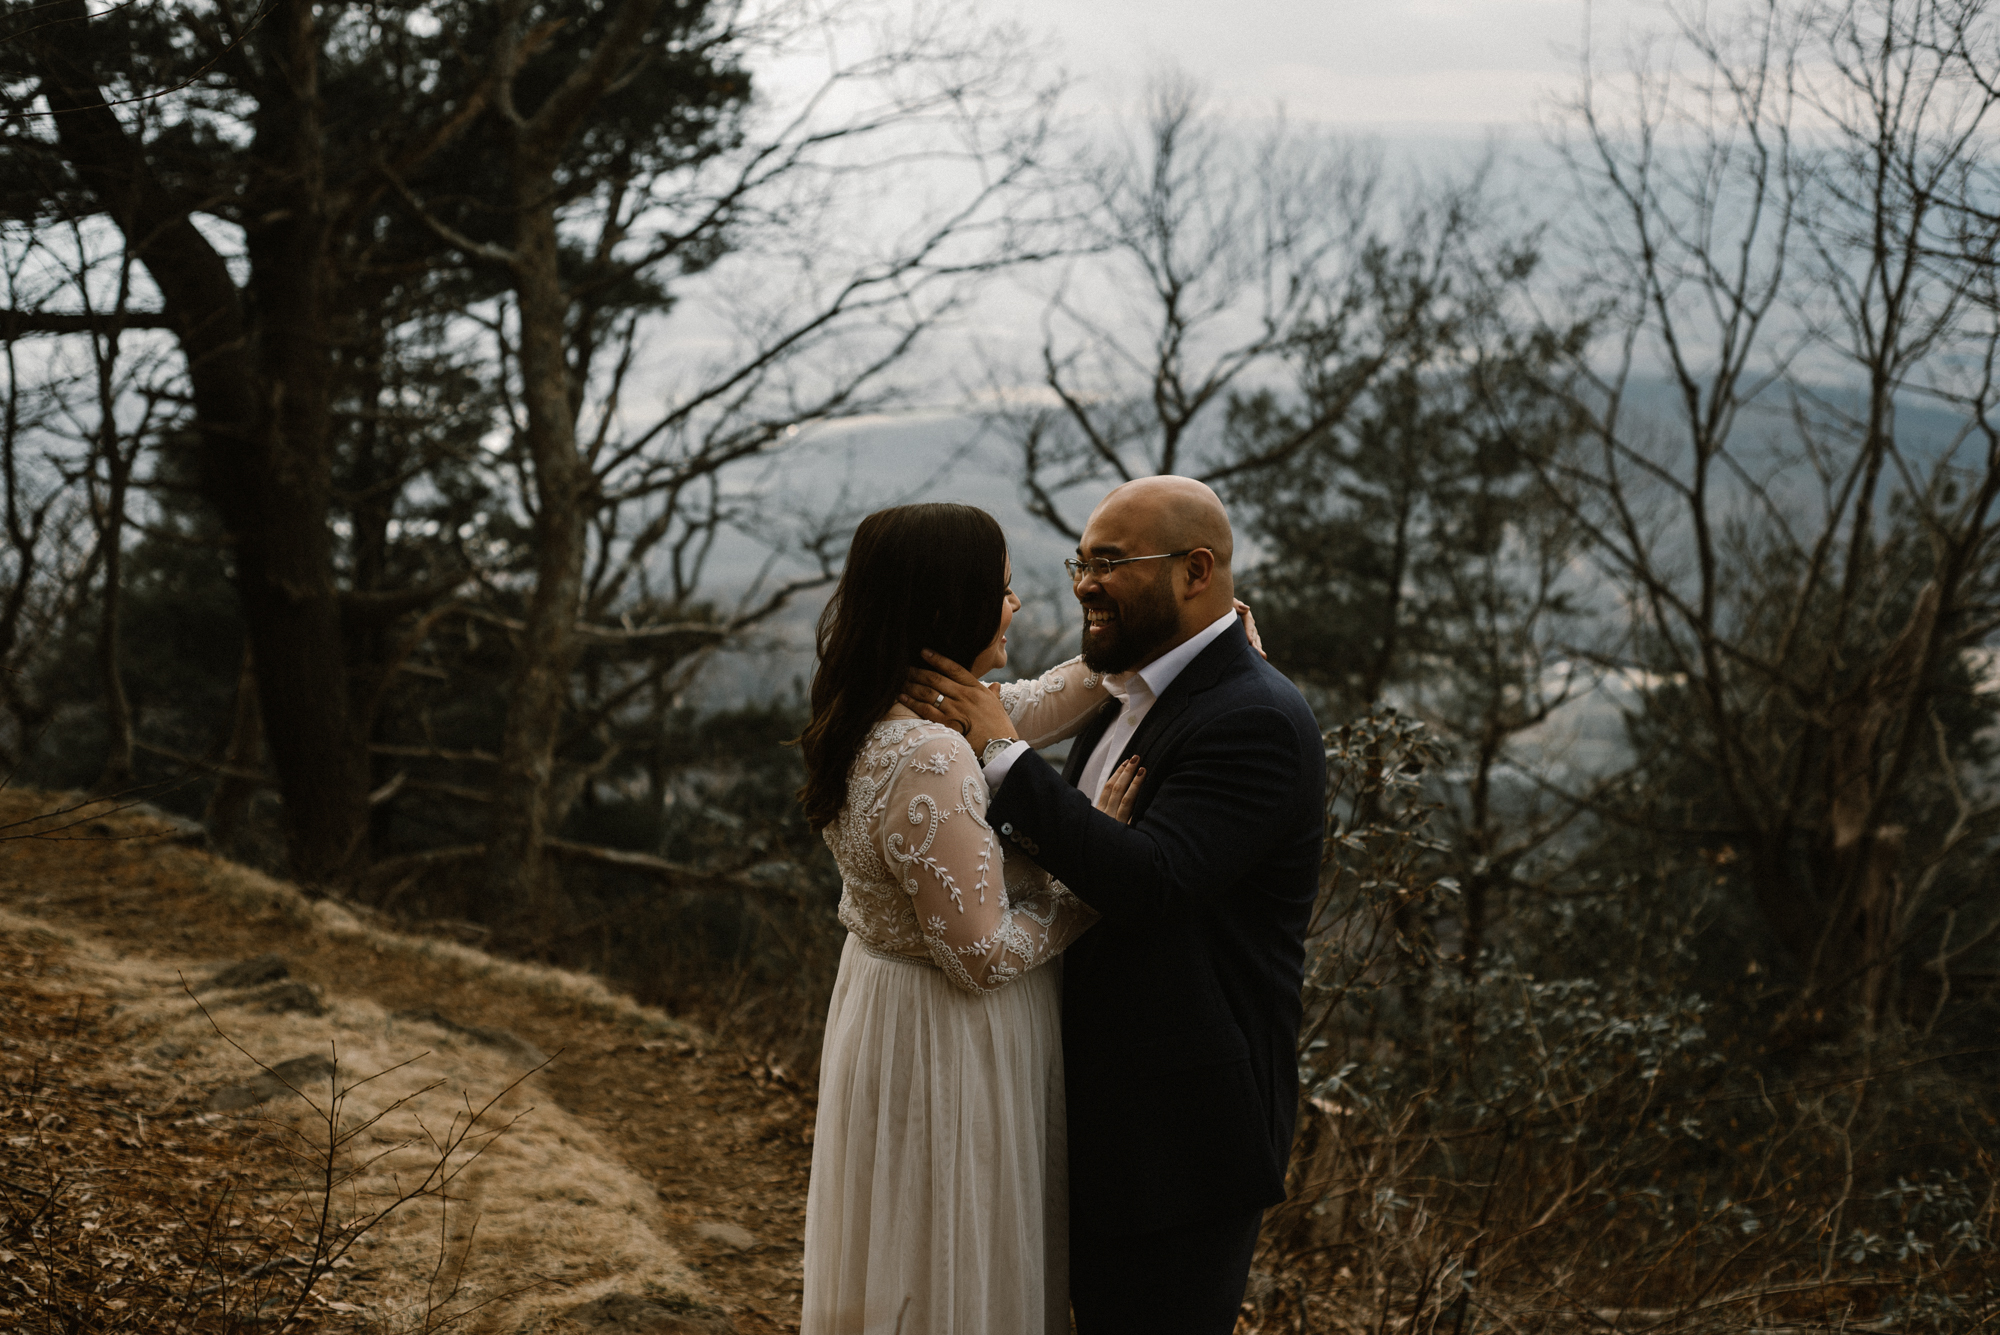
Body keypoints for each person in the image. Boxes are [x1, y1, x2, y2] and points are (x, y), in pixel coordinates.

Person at [904, 476, 1327, 1335]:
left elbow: (1152, 882)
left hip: (1180, 1140)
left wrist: (1005, 756)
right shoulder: (1128, 689)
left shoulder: (1255, 719)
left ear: (1195, 570)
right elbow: (1074, 850)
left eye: (1110, 562)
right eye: (1080, 561)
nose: (1084, 583)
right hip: (1093, 1113)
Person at [795, 501, 1144, 1335]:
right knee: (951, 1261)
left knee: (902, 1252)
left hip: (884, 1014)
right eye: (1005, 588)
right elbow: (979, 955)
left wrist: (1139, 651)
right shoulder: (931, 751)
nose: (1017, 604)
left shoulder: (884, 704)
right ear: (952, 604)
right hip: (950, 1038)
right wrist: (1095, 861)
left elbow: (1021, 707)